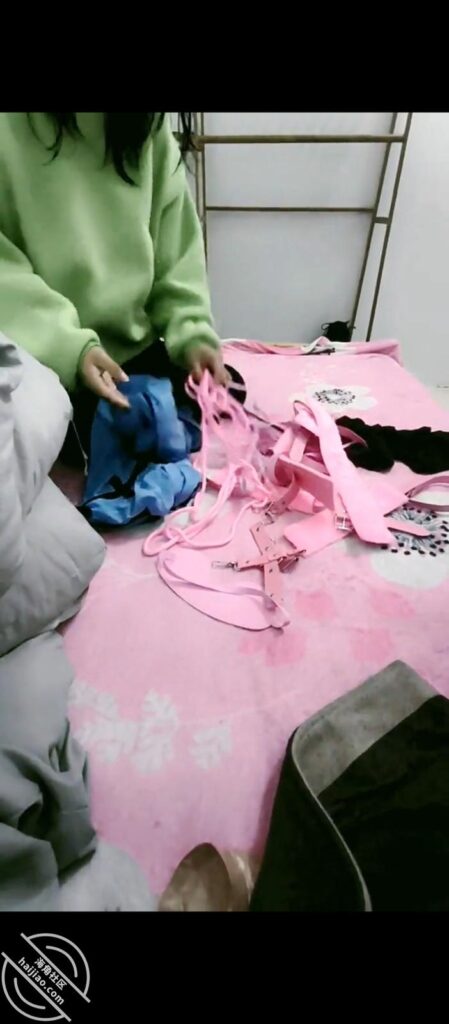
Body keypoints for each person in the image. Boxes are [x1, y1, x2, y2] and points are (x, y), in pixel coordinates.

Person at [0, 112, 227, 438]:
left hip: (131, 361)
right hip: (37, 365)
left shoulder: (146, 122)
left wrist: (192, 333)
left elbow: (175, 245)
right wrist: (70, 348)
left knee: (217, 410)